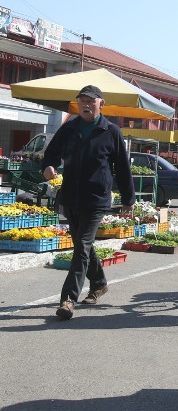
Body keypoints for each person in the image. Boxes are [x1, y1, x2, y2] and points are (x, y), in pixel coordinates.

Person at [41, 85, 135, 320]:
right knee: (84, 246)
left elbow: (122, 168)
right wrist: (48, 167)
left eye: (90, 101)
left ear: (101, 104)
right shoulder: (69, 129)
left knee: (81, 247)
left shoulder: (110, 131)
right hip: (71, 196)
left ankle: (68, 299)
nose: (85, 104)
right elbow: (50, 154)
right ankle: (100, 283)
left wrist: (128, 197)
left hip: (96, 199)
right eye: (82, 100)